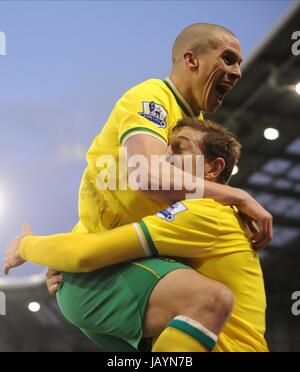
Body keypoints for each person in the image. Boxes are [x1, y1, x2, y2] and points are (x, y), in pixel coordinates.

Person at [4, 119, 269, 352]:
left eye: (179, 148)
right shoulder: (217, 212)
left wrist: (26, 246)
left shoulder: (204, 213)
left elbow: (86, 255)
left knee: (208, 298)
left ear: (212, 168)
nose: (164, 155)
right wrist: (63, 266)